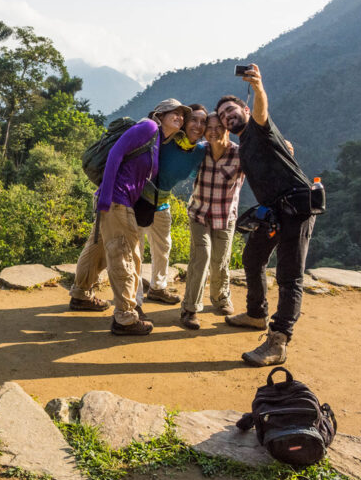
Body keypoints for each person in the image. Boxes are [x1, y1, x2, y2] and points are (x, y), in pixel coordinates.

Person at [216, 64, 316, 366]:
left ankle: (278, 342)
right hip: (273, 212)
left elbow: (262, 110)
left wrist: (258, 86)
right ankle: (257, 314)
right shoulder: (244, 143)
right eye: (222, 116)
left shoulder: (258, 127)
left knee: (289, 277)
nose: (227, 116)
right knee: (253, 257)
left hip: (297, 208)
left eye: (231, 110)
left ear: (245, 108)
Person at [68, 99, 190, 335]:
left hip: (117, 201)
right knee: (127, 255)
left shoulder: (156, 141)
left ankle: (81, 294)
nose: (180, 117)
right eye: (174, 113)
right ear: (159, 114)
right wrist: (105, 197)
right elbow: (115, 154)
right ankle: (125, 317)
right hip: (116, 200)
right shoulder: (148, 128)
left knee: (99, 249)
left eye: (182, 115)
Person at [179, 114, 245, 329]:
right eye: (210, 127)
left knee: (220, 260)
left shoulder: (239, 154)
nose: (213, 131)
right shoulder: (201, 150)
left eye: (219, 127)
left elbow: (264, 161)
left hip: (225, 217)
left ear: (228, 129)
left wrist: (285, 148)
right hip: (199, 213)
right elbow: (178, 149)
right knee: (202, 255)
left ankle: (220, 297)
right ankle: (190, 308)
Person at [140, 104, 209, 304]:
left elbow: (227, 147)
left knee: (163, 247)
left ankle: (157, 288)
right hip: (138, 201)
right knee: (135, 250)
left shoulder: (199, 151)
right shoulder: (165, 140)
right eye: (194, 120)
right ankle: (133, 300)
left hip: (161, 202)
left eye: (203, 122)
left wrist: (278, 144)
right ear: (185, 123)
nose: (198, 125)